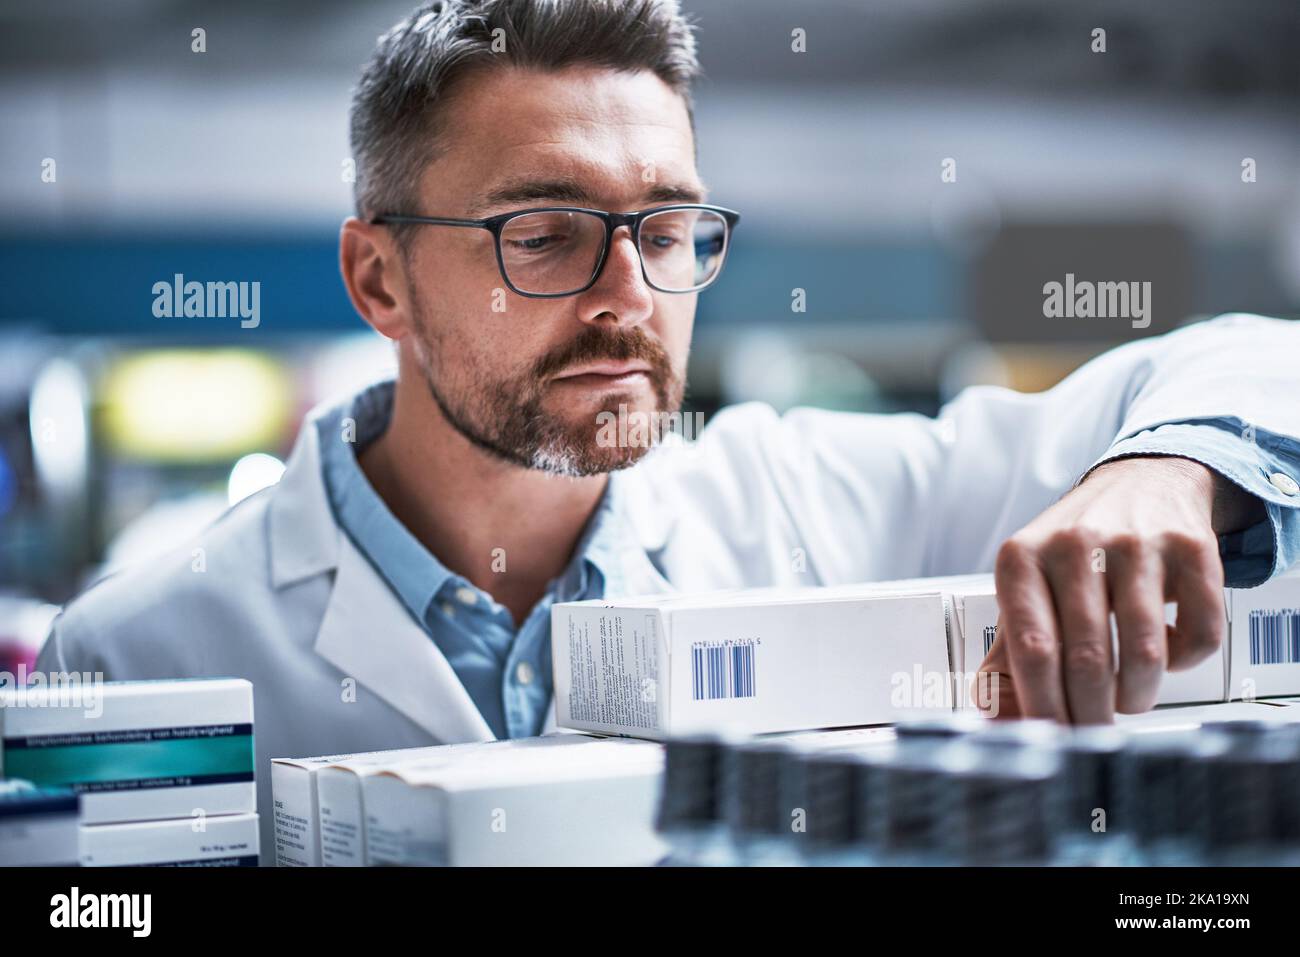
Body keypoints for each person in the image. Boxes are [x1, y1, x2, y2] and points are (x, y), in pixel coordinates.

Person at [35, 0, 1300, 856]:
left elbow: (1255, 356)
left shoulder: (815, 507)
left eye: (669, 230)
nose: (629, 294)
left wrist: (1165, 468)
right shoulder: (143, 650)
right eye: (542, 235)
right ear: (379, 282)